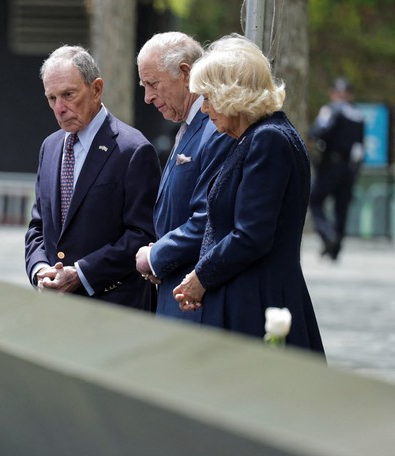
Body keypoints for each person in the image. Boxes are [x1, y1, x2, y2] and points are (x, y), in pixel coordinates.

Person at [172, 35, 324, 352]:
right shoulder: (257, 137)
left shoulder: (269, 139)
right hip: (249, 300)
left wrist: (201, 277)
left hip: (256, 306)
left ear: (233, 94)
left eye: (210, 97)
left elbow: (252, 234)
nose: (205, 108)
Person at [25, 45, 159, 310]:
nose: (59, 108)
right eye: (51, 98)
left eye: (68, 95)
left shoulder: (133, 150)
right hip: (56, 307)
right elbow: (38, 227)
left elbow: (142, 234)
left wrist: (82, 273)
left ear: (96, 89)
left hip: (113, 307)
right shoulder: (50, 147)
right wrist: (40, 270)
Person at [134, 32, 235, 321]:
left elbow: (209, 219)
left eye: (153, 84)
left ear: (185, 73)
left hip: (195, 300)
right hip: (176, 292)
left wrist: (155, 257)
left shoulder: (215, 126)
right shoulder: (189, 126)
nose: (147, 97)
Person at [309, 77, 365, 261]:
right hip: (349, 167)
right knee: (342, 208)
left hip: (331, 163)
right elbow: (360, 147)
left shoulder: (331, 110)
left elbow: (319, 130)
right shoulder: (358, 115)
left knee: (315, 201)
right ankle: (336, 248)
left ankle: (328, 236)